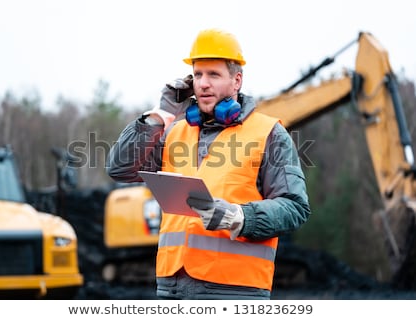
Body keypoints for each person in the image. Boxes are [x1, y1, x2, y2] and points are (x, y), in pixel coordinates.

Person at [106, 28, 311, 299]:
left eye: (213, 75)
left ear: (237, 81)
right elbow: (120, 168)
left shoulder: (269, 133)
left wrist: (240, 217)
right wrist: (161, 115)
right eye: (198, 74)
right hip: (172, 288)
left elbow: (295, 207)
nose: (203, 83)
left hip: (235, 291)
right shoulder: (173, 131)